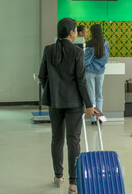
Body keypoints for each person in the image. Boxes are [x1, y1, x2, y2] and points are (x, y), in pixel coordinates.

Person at [38, 17, 95, 194]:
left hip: (55, 102)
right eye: (76, 29)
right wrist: (89, 104)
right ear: (71, 32)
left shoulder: (49, 50)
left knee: (57, 138)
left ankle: (58, 176)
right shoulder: (77, 52)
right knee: (73, 140)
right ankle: (73, 182)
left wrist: (52, 91)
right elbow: (81, 81)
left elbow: (42, 76)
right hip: (74, 103)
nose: (77, 32)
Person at [84, 24, 110, 125]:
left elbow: (86, 61)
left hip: (90, 72)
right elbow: (105, 59)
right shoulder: (105, 43)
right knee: (99, 95)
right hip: (100, 72)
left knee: (92, 96)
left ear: (92, 32)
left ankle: (93, 120)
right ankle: (100, 118)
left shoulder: (90, 43)